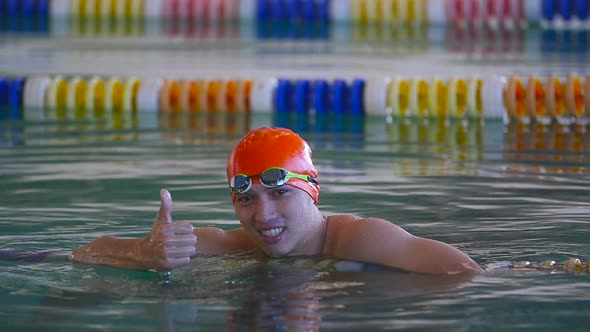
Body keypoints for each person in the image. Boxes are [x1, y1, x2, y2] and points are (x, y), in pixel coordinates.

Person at [70, 127, 483, 275]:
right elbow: (87, 253)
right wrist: (144, 253)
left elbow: (466, 273)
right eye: (246, 198)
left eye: (280, 192)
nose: (263, 215)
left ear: (312, 190)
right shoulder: (235, 249)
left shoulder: (359, 241)